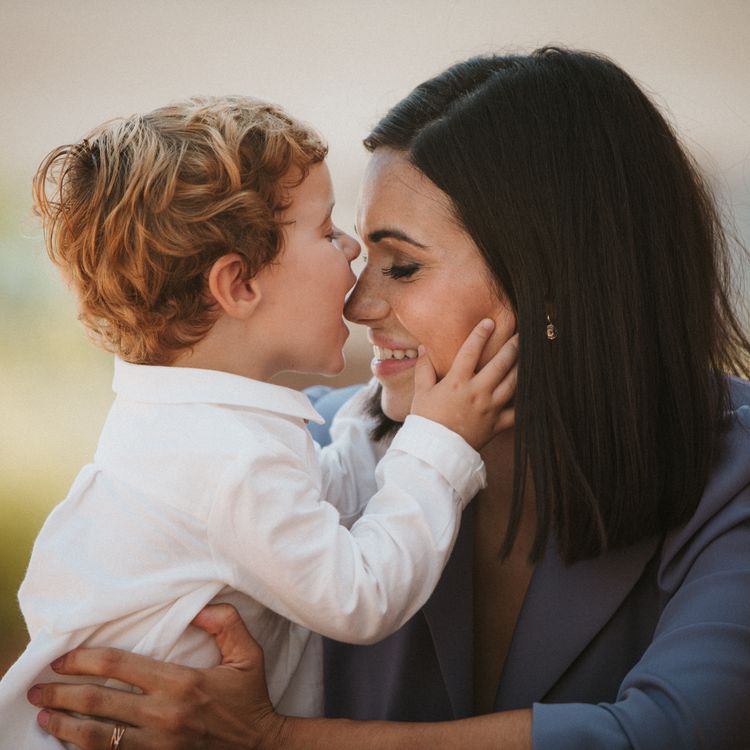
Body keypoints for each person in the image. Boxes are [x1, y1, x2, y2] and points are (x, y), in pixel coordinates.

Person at [28, 47, 750, 749]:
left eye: (401, 265)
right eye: (352, 249)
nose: (358, 302)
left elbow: (678, 731)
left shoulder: (732, 473)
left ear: (555, 282)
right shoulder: (309, 453)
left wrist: (277, 741)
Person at [2, 95, 519, 749]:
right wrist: (440, 443)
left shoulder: (184, 427)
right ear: (239, 286)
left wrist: (380, 404)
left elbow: (321, 508)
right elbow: (360, 596)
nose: (352, 245)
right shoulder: (228, 461)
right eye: (327, 231)